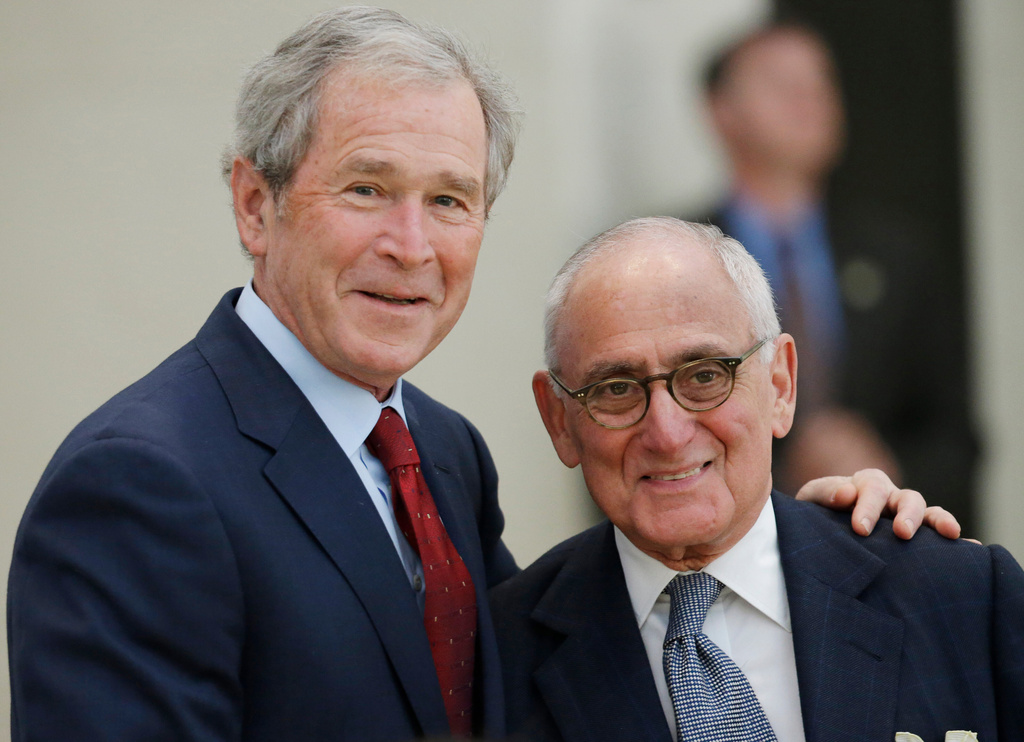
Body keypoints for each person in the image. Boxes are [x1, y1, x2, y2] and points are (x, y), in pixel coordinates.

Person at [7, 8, 957, 742]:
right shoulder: (137, 483)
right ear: (256, 206)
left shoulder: (444, 453)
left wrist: (814, 546)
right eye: (367, 188)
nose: (411, 246)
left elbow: (572, 656)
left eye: (450, 199)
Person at [491, 217, 1024, 741]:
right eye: (616, 389)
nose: (668, 433)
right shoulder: (495, 656)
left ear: (780, 385)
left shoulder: (961, 596)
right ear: (559, 421)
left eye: (705, 376)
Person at [695, 22, 978, 518]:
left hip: (881, 540)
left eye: (822, 81)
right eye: (782, 83)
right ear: (721, 112)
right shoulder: (680, 260)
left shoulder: (898, 256)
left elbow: (957, 437)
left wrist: (883, 466)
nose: (810, 97)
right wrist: (777, 469)